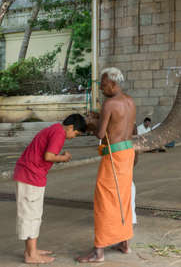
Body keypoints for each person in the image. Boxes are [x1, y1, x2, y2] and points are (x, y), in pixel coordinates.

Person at [77, 67, 136, 263]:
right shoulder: (130, 101)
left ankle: (99, 251)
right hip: (127, 152)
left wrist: (91, 123)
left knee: (105, 199)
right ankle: (124, 242)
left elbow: (101, 135)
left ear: (113, 83)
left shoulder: (110, 104)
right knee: (123, 197)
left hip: (114, 154)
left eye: (103, 84)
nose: (101, 88)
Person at [13, 114, 86, 264]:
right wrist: (64, 158)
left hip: (30, 175)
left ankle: (31, 249)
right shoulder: (59, 133)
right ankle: (31, 255)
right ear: (71, 127)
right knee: (31, 215)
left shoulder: (54, 129)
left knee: (33, 214)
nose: (73, 137)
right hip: (30, 176)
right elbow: (49, 156)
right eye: (76, 133)